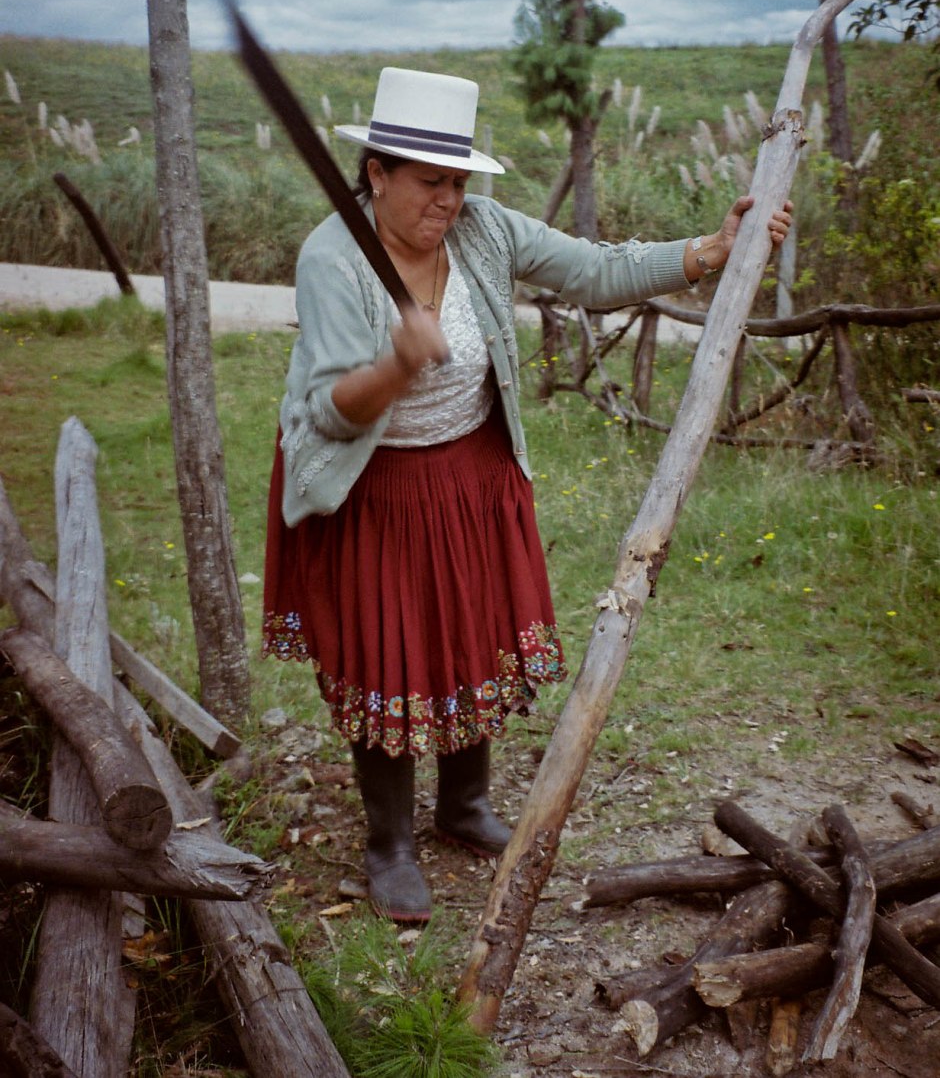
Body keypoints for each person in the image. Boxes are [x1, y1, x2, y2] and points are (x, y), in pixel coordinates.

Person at [263, 66, 792, 923]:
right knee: (384, 646)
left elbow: (591, 270)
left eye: (459, 180)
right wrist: (396, 364)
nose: (448, 199)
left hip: (468, 473)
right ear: (377, 172)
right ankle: (390, 841)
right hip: (376, 484)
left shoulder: (481, 230)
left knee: (468, 629)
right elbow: (330, 405)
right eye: (430, 181)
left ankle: (463, 803)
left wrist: (705, 251)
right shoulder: (333, 257)